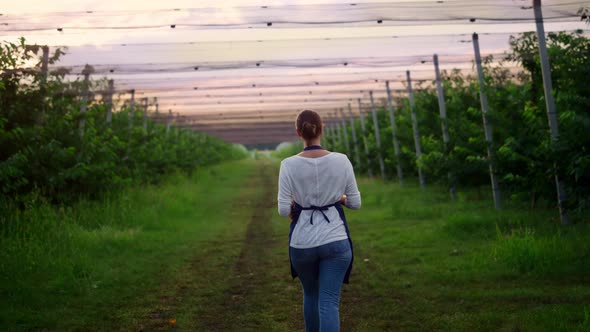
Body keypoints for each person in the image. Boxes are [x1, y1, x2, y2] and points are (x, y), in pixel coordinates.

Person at [277, 110, 361, 332]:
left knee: (311, 294)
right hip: (335, 239)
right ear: (322, 129)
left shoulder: (288, 164)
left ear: (298, 133)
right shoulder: (341, 160)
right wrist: (338, 198)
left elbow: (283, 209)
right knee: (329, 301)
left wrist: (301, 204)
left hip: (302, 243)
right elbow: (355, 203)